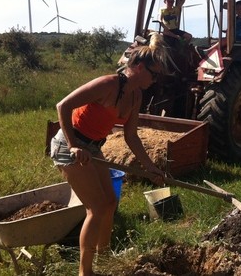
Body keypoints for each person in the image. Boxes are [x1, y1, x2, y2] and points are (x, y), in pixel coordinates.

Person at [49, 34, 170, 276]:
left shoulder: (136, 95)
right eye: (153, 74)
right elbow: (63, 106)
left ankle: (104, 258)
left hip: (93, 148)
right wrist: (73, 145)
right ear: (137, 67)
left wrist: (150, 167)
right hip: (69, 145)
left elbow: (131, 136)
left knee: (110, 203)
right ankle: (86, 271)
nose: (155, 80)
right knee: (96, 207)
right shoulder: (108, 84)